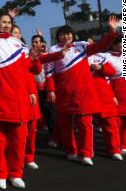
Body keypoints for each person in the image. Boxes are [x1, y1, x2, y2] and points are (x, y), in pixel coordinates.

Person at [45, 15, 119, 166]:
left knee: (85, 124)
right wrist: (51, 90)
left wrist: (111, 31)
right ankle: (70, 151)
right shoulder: (53, 51)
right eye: (62, 34)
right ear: (58, 36)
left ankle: (85, 154)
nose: (66, 36)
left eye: (68, 33)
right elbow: (49, 74)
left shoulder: (82, 46)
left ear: (73, 35)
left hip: (84, 93)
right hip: (64, 93)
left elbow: (100, 46)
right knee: (66, 125)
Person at [0, 2, 33, 189]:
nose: (7, 25)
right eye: (3, 22)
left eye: (9, 22)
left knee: (18, 143)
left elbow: (27, 70)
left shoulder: (18, 43)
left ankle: (16, 173)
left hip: (18, 102)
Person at [11, 25, 42, 170]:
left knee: (32, 128)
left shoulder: (26, 50)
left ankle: (29, 157)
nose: (16, 35)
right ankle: (14, 157)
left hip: (30, 92)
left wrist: (34, 58)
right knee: (16, 131)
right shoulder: (5, 51)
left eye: (18, 32)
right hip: (15, 93)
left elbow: (37, 70)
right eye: (13, 32)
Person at [87, 50, 122, 160]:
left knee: (115, 122)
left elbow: (119, 72)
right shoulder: (106, 55)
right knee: (85, 123)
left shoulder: (123, 56)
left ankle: (119, 147)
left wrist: (101, 68)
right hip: (110, 87)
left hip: (115, 89)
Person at [107, 36, 126, 155]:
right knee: (117, 123)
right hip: (116, 95)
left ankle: (125, 145)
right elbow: (105, 79)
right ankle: (115, 147)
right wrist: (111, 95)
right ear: (113, 44)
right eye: (120, 43)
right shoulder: (107, 58)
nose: (123, 44)